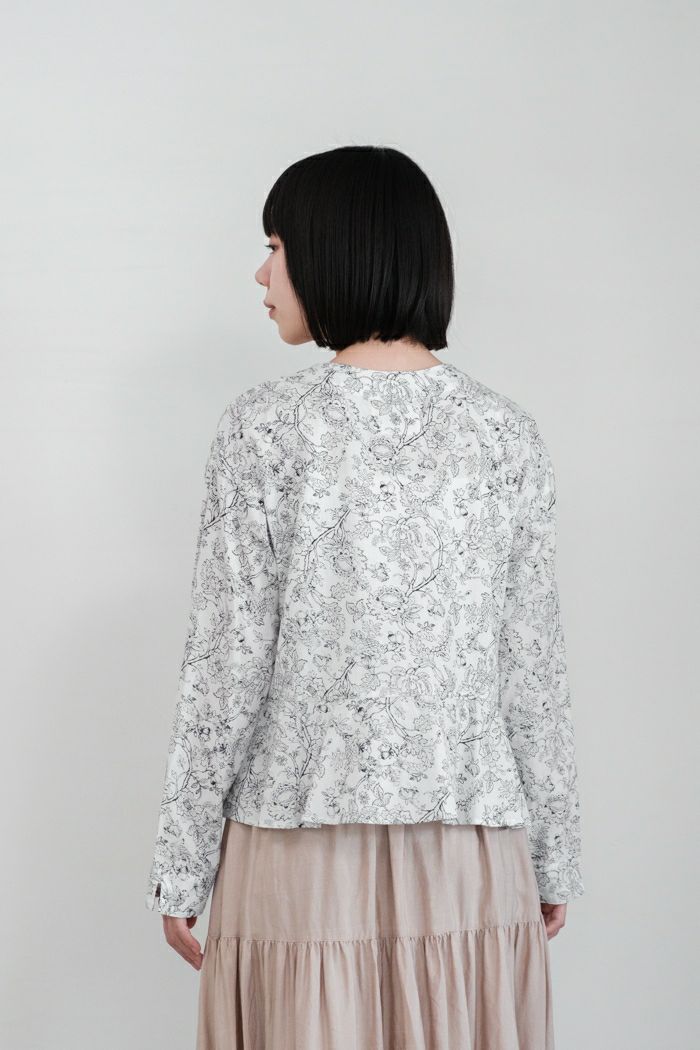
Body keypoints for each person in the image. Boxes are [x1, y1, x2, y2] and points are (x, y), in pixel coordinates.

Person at [145, 145, 584, 1049]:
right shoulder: (505, 434)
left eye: (276, 247)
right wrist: (553, 854)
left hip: (299, 842)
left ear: (335, 249)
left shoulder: (265, 429)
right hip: (470, 848)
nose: (262, 274)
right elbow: (530, 667)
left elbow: (226, 666)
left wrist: (180, 868)